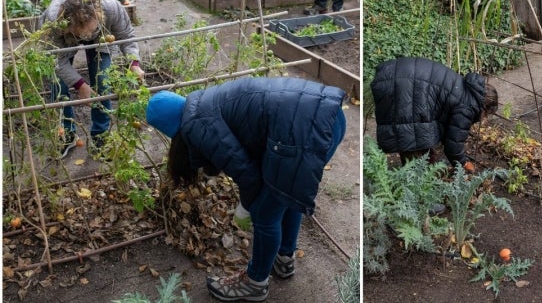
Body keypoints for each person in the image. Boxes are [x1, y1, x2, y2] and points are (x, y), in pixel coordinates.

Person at [145, 77, 346, 302]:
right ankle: (284, 258)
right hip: (329, 117)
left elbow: (247, 175)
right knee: (287, 194)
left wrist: (246, 207)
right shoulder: (201, 103)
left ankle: (255, 283)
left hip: (304, 132)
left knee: (264, 212)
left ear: (169, 126)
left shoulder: (196, 124)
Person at [40, 0, 145, 158]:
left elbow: (127, 35)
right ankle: (67, 133)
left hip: (101, 37)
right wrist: (80, 85)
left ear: (98, 16)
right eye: (81, 33)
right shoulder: (53, 21)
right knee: (58, 85)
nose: (86, 36)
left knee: (103, 80)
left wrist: (133, 62)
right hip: (65, 41)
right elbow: (56, 60)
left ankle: (100, 136)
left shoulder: (111, 7)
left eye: (90, 31)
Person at [370, 56, 498, 172]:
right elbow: (453, 143)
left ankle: (419, 168)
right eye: (486, 116)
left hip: (396, 76)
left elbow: (445, 128)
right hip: (402, 86)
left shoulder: (467, 88)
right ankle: (413, 179)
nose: (484, 119)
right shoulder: (469, 106)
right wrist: (464, 164)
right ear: (485, 108)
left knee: (416, 134)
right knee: (410, 136)